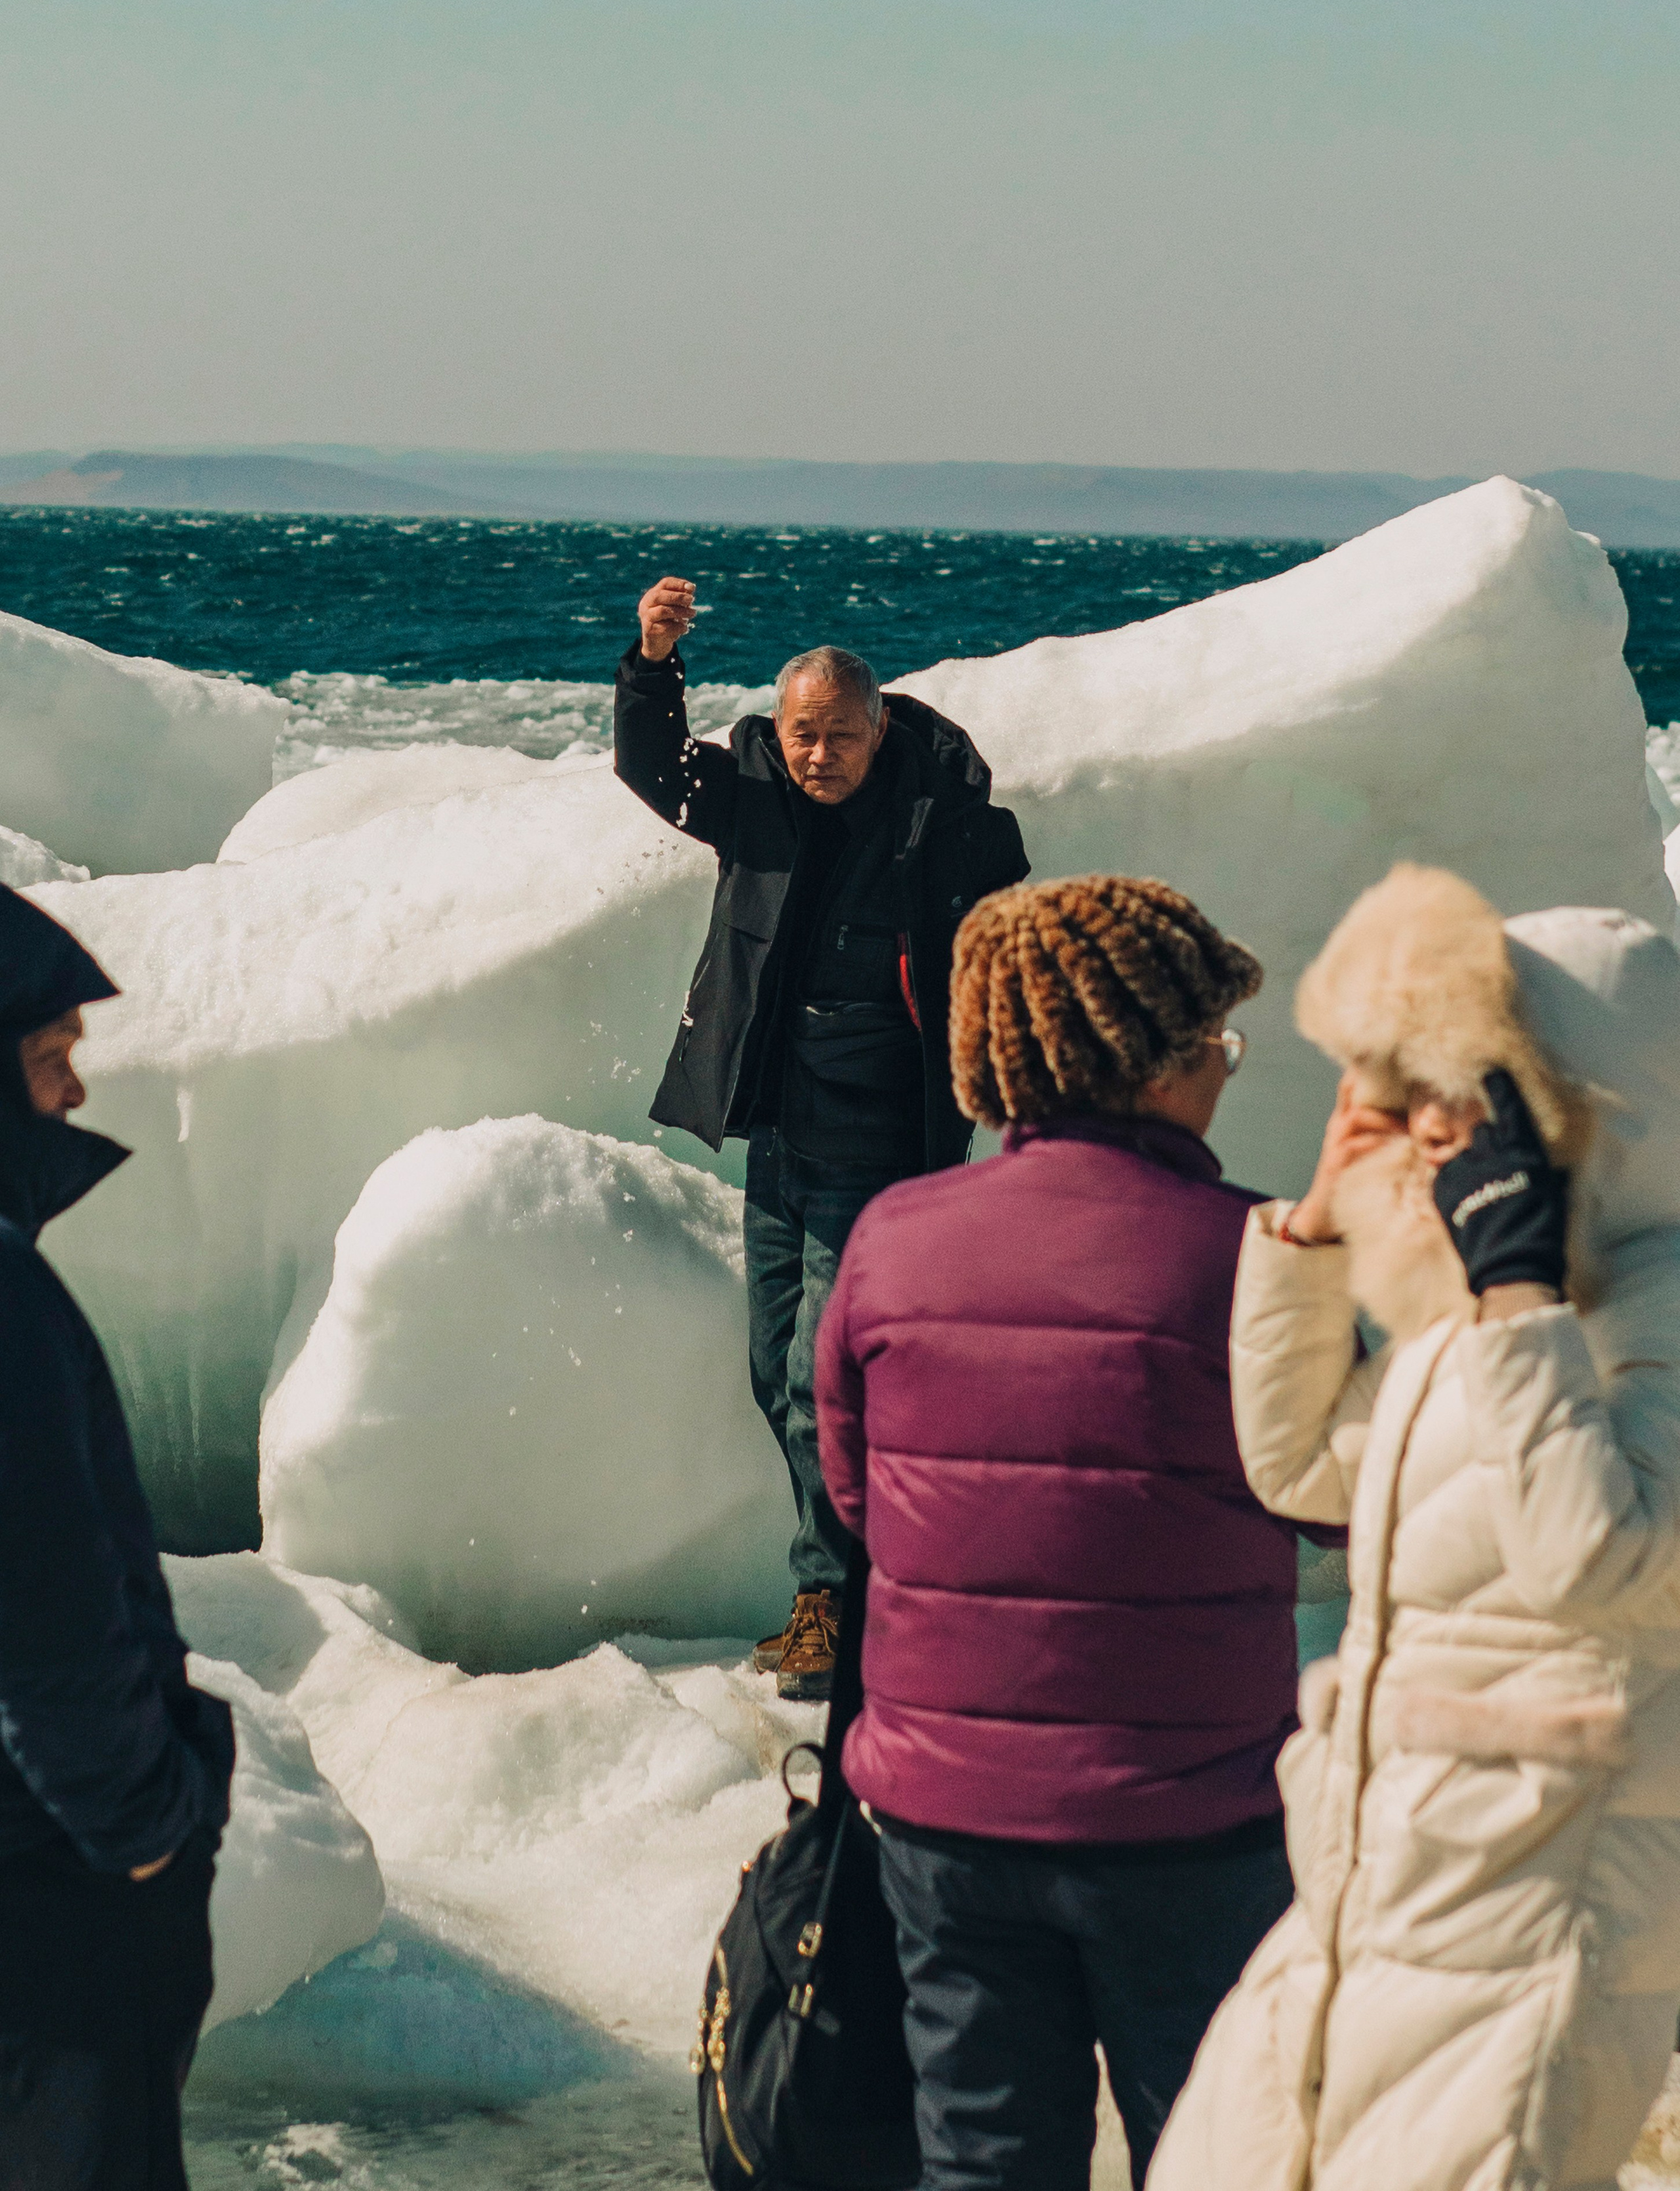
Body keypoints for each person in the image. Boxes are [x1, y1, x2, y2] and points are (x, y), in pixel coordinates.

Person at [1150, 863, 1680, 2191]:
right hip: (1366, 1909)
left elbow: (1604, 1563)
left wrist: (1510, 1297)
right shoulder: (1501, 1312)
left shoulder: (1631, 1313)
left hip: (1535, 1942)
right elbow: (1300, 1465)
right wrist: (1313, 1234)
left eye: (1462, 1095)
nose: (1427, 1130)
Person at [816, 874, 1316, 2190]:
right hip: (1187, 1819)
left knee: (985, 2158)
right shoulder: (1257, 1252)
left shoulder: (888, 1239)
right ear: (1150, 1060)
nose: (1221, 1069)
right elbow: (1339, 1492)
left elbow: (861, 1499)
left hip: (941, 1819)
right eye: (1213, 1042)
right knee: (1217, 2155)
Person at [614, 576, 1028, 1699]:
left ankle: (833, 1608)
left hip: (882, 1156)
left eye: (842, 734)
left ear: (879, 726)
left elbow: (1004, 899)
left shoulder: (934, 821)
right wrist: (654, 665)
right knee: (771, 1368)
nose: (819, 753)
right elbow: (653, 769)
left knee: (819, 1382)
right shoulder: (754, 795)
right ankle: (856, 1589)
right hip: (781, 1146)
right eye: (803, 732)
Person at [0, 885, 235, 2190]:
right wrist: (148, 1823)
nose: (76, 1095)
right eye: (49, 1061)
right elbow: (46, 1618)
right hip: (48, 1887)